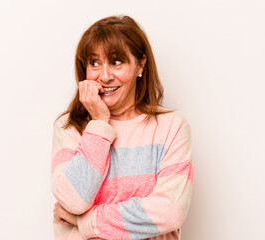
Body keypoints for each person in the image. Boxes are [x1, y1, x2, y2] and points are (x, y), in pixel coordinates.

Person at [51, 15, 194, 240]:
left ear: (140, 65)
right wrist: (99, 123)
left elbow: (169, 211)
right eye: (94, 63)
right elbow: (73, 200)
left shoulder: (171, 127)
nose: (105, 76)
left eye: (116, 62)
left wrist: (84, 221)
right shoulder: (69, 127)